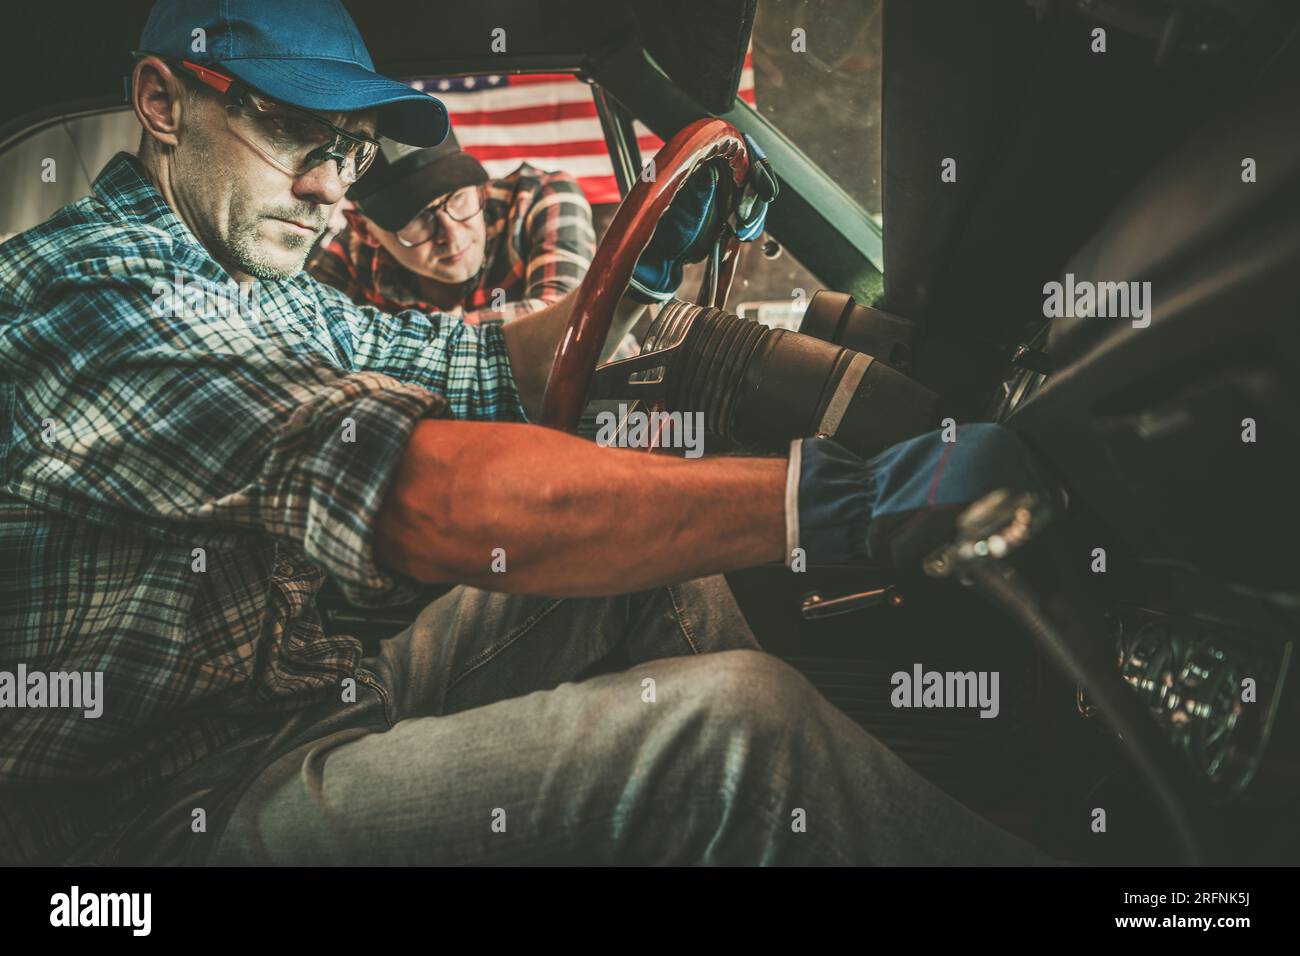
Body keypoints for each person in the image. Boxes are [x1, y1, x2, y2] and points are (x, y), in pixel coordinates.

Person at [0, 0, 1055, 866]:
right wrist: (828, 499)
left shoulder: (254, 279)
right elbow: (424, 494)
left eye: (348, 152)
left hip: (298, 681)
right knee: (730, 736)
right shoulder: (86, 300)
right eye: (289, 133)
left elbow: (479, 359)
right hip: (161, 813)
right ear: (162, 102)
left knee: (643, 572)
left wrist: (663, 320)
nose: (328, 190)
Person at [308, 129, 625, 349]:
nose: (451, 233)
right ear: (365, 229)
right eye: (418, 217)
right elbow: (309, 341)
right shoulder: (351, 252)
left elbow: (570, 325)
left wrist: (385, 342)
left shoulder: (541, 198)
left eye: (458, 197)